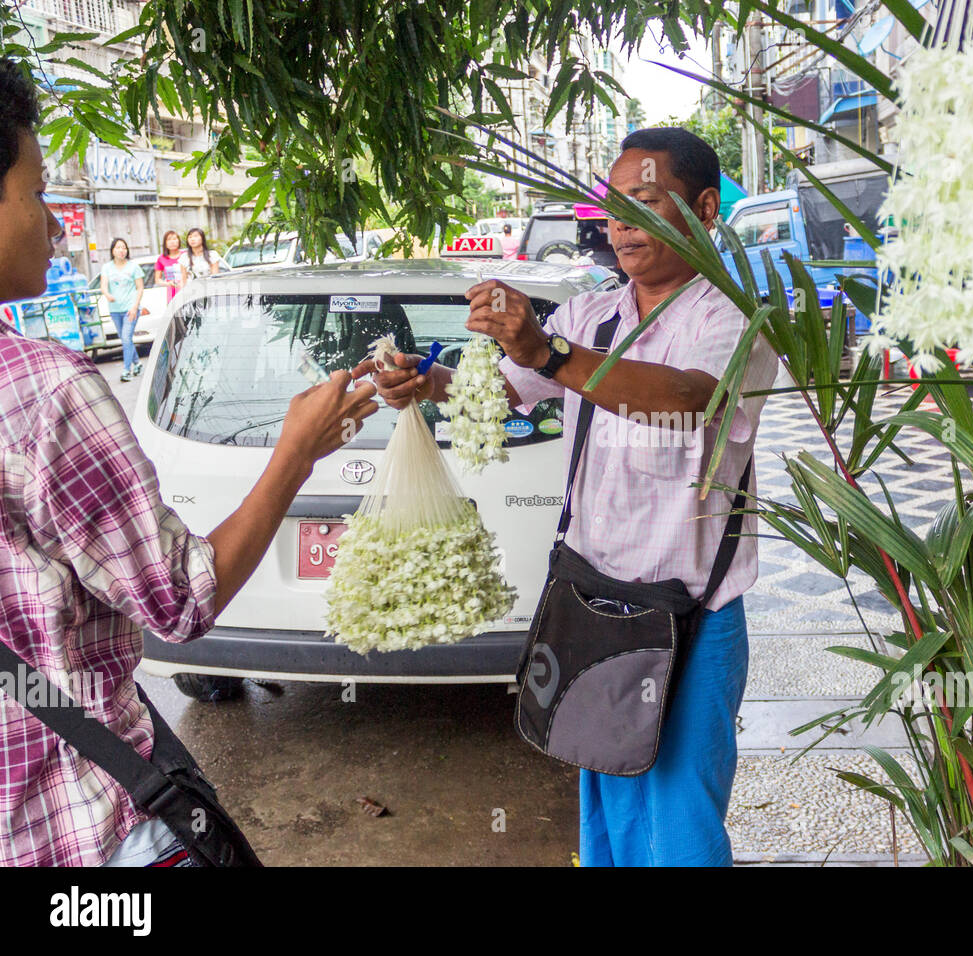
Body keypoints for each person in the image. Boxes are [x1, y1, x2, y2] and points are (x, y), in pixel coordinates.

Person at [362, 127, 780, 866]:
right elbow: (504, 392)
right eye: (615, 205)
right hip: (592, 607)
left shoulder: (734, 320)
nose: (621, 222)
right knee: (609, 817)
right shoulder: (592, 315)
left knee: (680, 828)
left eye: (645, 203)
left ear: (707, 209)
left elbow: (687, 400)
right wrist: (423, 384)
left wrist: (546, 353)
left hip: (690, 617)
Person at [0, 58, 380, 867]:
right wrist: (295, 453)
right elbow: (177, 599)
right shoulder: (42, 393)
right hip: (86, 824)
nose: (56, 224)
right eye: (36, 194)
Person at [99, 237, 144, 381]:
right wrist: (107, 295)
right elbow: (103, 286)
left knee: (126, 338)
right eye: (118, 247)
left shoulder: (133, 267)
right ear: (112, 250)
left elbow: (140, 288)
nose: (121, 250)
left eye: (124, 247)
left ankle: (126, 370)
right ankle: (137, 363)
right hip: (114, 309)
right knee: (126, 340)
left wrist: (135, 307)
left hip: (130, 309)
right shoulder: (106, 267)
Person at [154, 229, 185, 301]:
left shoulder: (186, 255)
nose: (172, 242)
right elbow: (157, 280)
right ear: (165, 243)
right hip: (172, 293)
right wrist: (168, 283)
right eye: (169, 239)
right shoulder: (161, 258)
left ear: (179, 241)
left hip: (187, 290)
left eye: (174, 239)